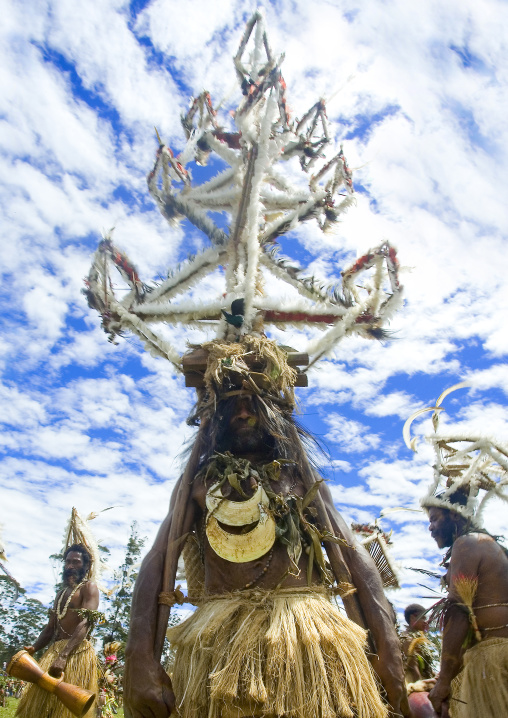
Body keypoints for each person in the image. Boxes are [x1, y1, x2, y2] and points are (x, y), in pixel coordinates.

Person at [123, 342, 408, 718]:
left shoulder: (302, 479)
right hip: (217, 649)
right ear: (216, 416)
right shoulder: (197, 483)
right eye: (231, 404)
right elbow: (156, 563)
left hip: (306, 640)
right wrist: (139, 658)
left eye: (253, 402)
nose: (243, 412)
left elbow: (352, 555)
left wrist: (386, 644)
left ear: (274, 412)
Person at [426, 503, 508, 717]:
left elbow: (459, 611)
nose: (430, 527)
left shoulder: (467, 543)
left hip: (493, 662)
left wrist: (444, 680)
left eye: (434, 519)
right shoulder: (493, 547)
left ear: (454, 513)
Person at [16, 544, 99, 718]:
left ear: (85, 566)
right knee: (37, 708)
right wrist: (34, 648)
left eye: (75, 562)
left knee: (66, 711)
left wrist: (64, 655)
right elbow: (50, 628)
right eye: (68, 562)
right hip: (54, 652)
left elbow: (86, 623)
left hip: (76, 653)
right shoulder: (61, 594)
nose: (70, 566)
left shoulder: (89, 588)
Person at [400, 603, 436, 686]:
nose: (425, 622)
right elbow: (413, 668)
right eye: (423, 618)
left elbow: (426, 668)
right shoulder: (408, 639)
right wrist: (421, 689)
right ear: (413, 618)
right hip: (413, 684)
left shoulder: (419, 639)